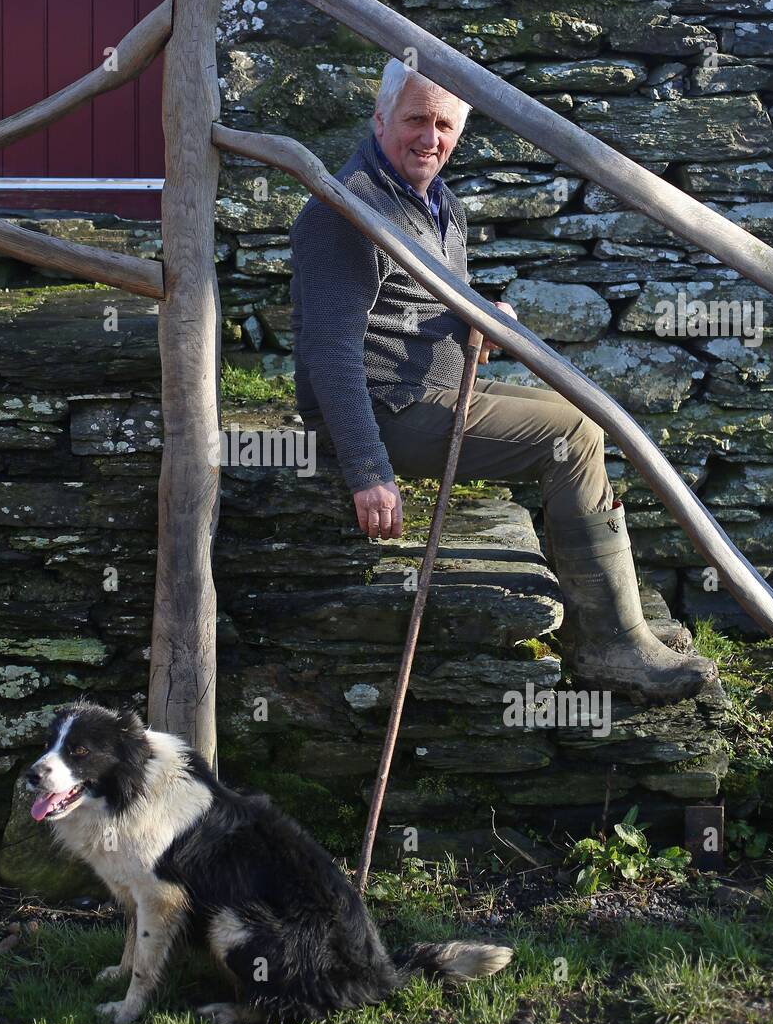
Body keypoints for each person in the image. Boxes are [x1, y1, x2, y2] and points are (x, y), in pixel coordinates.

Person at [289, 57, 720, 703]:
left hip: (430, 388)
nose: (430, 139)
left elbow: (416, 300)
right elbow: (329, 348)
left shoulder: (439, 204)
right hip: (384, 408)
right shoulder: (345, 211)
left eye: (445, 125)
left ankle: (617, 625)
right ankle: (612, 647)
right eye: (415, 120)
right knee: (572, 434)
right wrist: (368, 470)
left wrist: (478, 316)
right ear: (380, 119)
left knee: (583, 412)